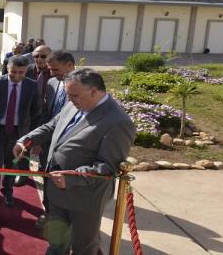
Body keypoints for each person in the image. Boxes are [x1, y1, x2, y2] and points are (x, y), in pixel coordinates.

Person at [13, 68, 135, 255]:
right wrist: (26, 142)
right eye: (68, 94)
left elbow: (107, 167)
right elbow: (52, 126)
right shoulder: (75, 102)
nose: (69, 99)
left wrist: (71, 178)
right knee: (56, 243)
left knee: (83, 247)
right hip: (56, 191)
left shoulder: (117, 121)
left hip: (84, 198)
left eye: (74, 95)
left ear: (94, 91)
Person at [0, 55, 41, 224]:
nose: (17, 76)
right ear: (7, 68)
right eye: (13, 72)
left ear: (27, 71)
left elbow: (36, 111)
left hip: (18, 133)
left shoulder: (31, 86)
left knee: (11, 166)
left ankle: (8, 192)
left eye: (21, 72)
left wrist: (29, 132)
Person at [35, 50, 75, 228]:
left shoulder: (86, 84)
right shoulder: (52, 82)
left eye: (56, 69)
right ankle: (49, 213)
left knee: (67, 184)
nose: (52, 74)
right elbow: (47, 114)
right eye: (50, 70)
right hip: (50, 142)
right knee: (47, 179)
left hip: (72, 146)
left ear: (70, 65)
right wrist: (39, 140)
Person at [12, 44, 53, 187]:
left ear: (50, 56)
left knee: (45, 149)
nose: (39, 59)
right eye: (36, 56)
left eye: (43, 56)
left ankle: (44, 171)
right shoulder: (26, 71)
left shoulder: (56, 72)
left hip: (50, 118)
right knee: (26, 145)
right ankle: (23, 172)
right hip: (29, 118)